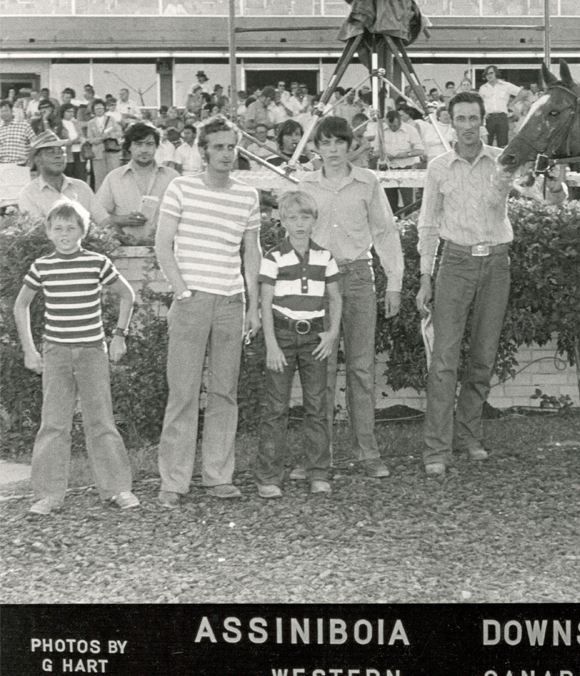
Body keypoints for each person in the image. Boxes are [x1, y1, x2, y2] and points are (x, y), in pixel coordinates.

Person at [154, 117, 262, 508]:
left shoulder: (246, 196)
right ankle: (174, 482)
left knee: (224, 392)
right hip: (192, 302)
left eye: (231, 146)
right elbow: (163, 245)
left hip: (231, 303)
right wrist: (182, 291)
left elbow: (252, 252)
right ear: (203, 151)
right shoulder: (181, 188)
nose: (226, 154)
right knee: (182, 393)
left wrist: (252, 305)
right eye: (218, 147)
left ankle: (218, 476)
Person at [13, 201, 139, 516]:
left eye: (72, 228)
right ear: (49, 232)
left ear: (83, 231)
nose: (65, 233)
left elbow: (127, 295)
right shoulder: (42, 266)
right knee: (54, 423)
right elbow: (20, 306)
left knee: (100, 421)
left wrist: (119, 335)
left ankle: (117, 489)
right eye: (58, 228)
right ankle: (48, 494)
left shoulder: (97, 263)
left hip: (93, 351)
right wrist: (30, 349)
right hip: (55, 353)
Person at [417, 90, 515, 476]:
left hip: (496, 264)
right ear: (451, 123)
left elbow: (545, 196)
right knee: (443, 360)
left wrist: (555, 182)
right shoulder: (439, 167)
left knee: (483, 356)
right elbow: (427, 224)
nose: (469, 127)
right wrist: (425, 278)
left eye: (474, 119)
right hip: (454, 263)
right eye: (461, 119)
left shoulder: (503, 162)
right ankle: (436, 449)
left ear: (483, 122)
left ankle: (468, 436)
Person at [299, 116, 403, 478]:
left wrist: (394, 282)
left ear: (348, 146)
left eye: (338, 143)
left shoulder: (367, 182)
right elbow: (296, 237)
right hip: (318, 282)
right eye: (324, 143)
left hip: (359, 277)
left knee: (361, 369)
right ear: (317, 147)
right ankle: (318, 457)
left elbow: (386, 232)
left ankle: (367, 452)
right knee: (320, 370)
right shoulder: (306, 184)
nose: (331, 151)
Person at [255, 190, 342, 498]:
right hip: (282, 335)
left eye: (306, 217)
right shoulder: (274, 257)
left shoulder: (324, 257)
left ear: (314, 220)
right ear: (282, 220)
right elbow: (265, 303)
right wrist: (271, 345)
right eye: (292, 217)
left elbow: (335, 297)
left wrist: (331, 334)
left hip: (314, 338)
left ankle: (318, 471)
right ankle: (269, 476)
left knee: (317, 406)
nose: (300, 223)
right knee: (276, 407)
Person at [96, 122, 177, 243]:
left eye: (149, 144)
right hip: (125, 251)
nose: (144, 150)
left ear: (156, 147)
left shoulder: (172, 178)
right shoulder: (114, 178)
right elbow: (98, 215)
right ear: (129, 147)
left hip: (165, 250)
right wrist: (122, 220)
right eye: (138, 144)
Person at [18, 131, 109, 227]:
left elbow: (104, 221)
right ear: (38, 160)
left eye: (61, 152)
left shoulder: (81, 187)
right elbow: (38, 233)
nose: (58, 156)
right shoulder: (28, 193)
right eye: (50, 152)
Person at [479, 65, 520, 148]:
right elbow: (479, 103)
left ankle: (501, 161)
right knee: (487, 143)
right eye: (487, 74)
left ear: (496, 73)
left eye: (491, 73)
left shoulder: (506, 85)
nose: (489, 75)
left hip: (502, 117)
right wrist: (483, 113)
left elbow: (521, 92)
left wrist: (511, 105)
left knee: (503, 143)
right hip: (488, 118)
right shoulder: (483, 88)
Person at [0, 98, 34, 168]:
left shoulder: (24, 125)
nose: (4, 113)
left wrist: (30, 160)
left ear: (12, 111)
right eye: (1, 111)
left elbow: (35, 143)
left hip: (21, 165)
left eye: (6, 111)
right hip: (2, 165)